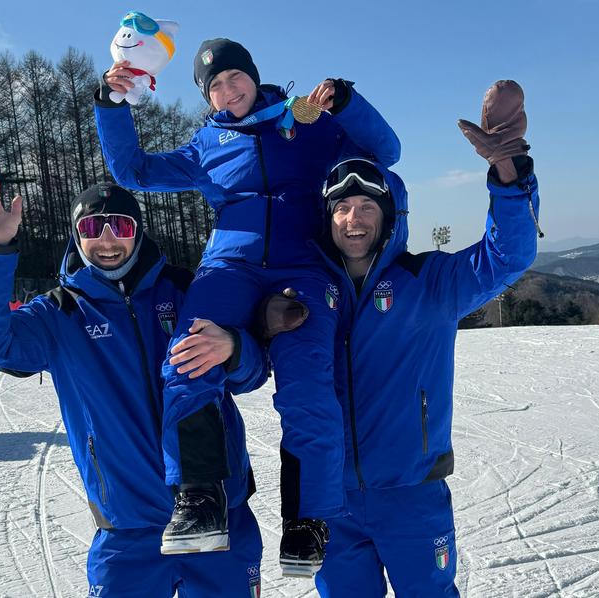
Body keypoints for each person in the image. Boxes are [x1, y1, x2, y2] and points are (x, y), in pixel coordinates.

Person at [96, 37, 400, 574]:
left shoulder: (305, 122)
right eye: (214, 86)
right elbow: (134, 172)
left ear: (253, 77)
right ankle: (199, 498)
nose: (227, 90)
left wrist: (347, 103)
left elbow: (386, 152)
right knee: (187, 357)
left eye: (234, 77)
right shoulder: (204, 146)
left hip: (303, 268)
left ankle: (308, 520)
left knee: (308, 383)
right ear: (207, 98)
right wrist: (111, 105)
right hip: (228, 268)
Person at [0, 172, 269, 597]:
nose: (106, 240)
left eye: (119, 226)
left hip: (219, 518)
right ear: (76, 237)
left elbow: (252, 373)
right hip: (127, 530)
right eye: (91, 228)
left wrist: (234, 347)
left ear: (137, 232)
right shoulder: (59, 314)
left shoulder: (189, 289)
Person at [306, 81, 541, 596]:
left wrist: (508, 172)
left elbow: (508, 256)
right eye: (342, 208)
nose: (353, 218)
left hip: (412, 493)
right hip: (329, 496)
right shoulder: (305, 293)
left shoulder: (428, 283)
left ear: (388, 216)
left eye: (367, 206)